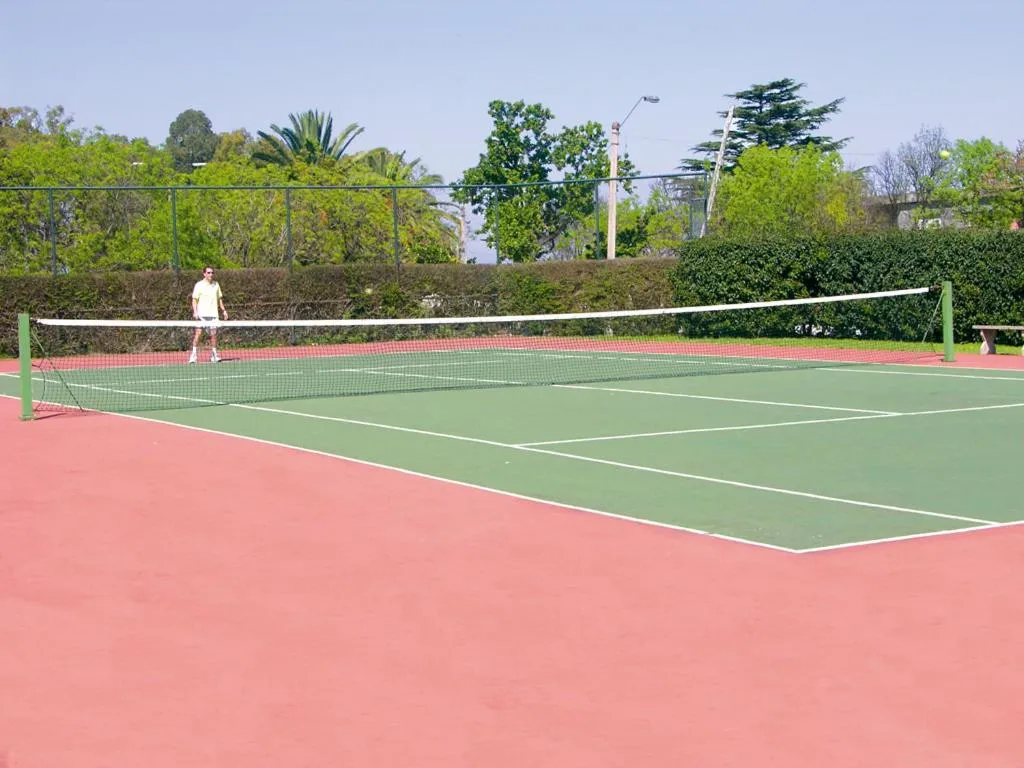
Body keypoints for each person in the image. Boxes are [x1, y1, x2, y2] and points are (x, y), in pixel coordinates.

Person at [189, 266, 228, 363]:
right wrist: (195, 311)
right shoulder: (199, 285)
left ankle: (214, 355)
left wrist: (224, 310)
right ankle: (193, 356)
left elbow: (220, 299)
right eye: (209, 272)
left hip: (213, 315)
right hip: (201, 315)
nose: (211, 274)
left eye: (212, 273)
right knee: (198, 334)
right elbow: (194, 300)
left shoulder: (216, 285)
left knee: (213, 335)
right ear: (204, 274)